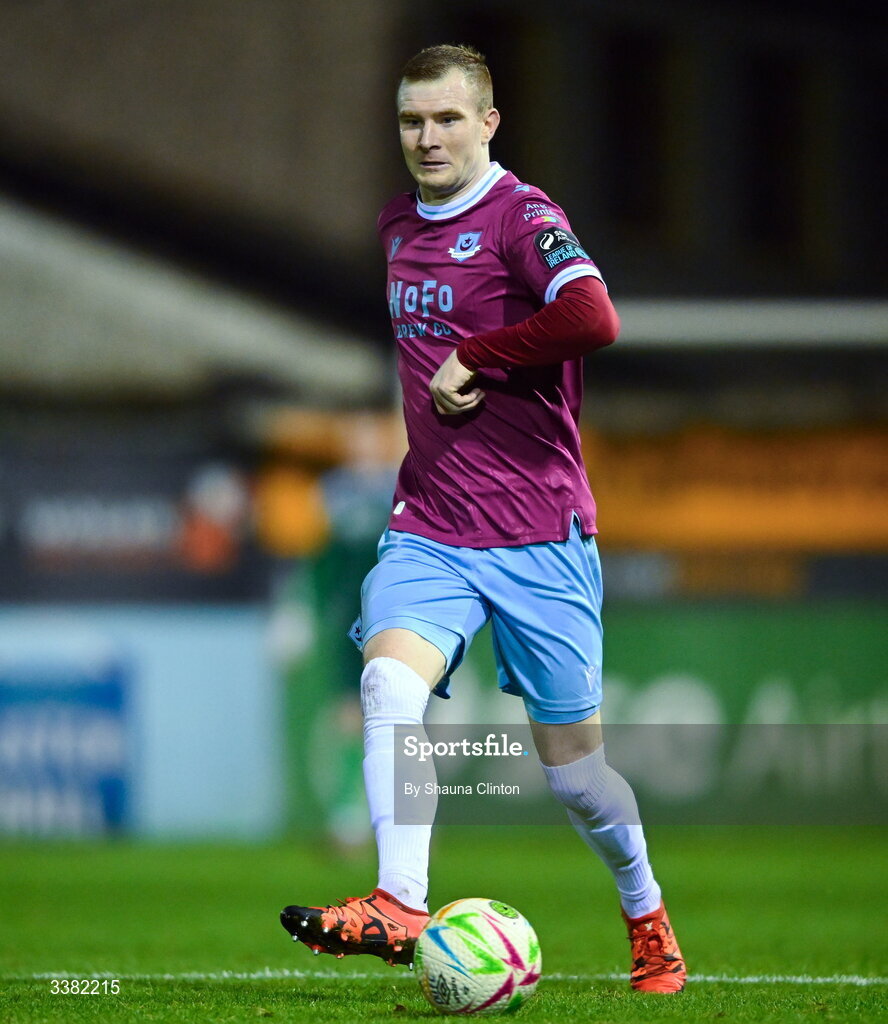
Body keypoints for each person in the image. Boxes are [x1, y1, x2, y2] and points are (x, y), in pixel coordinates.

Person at [281, 43, 686, 994]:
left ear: (489, 123)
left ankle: (647, 914)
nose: (428, 138)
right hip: (430, 527)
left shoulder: (523, 217)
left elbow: (595, 317)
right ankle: (398, 901)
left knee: (578, 778)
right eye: (413, 121)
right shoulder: (394, 225)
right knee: (388, 686)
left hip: (542, 535)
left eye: (448, 119)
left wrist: (484, 354)